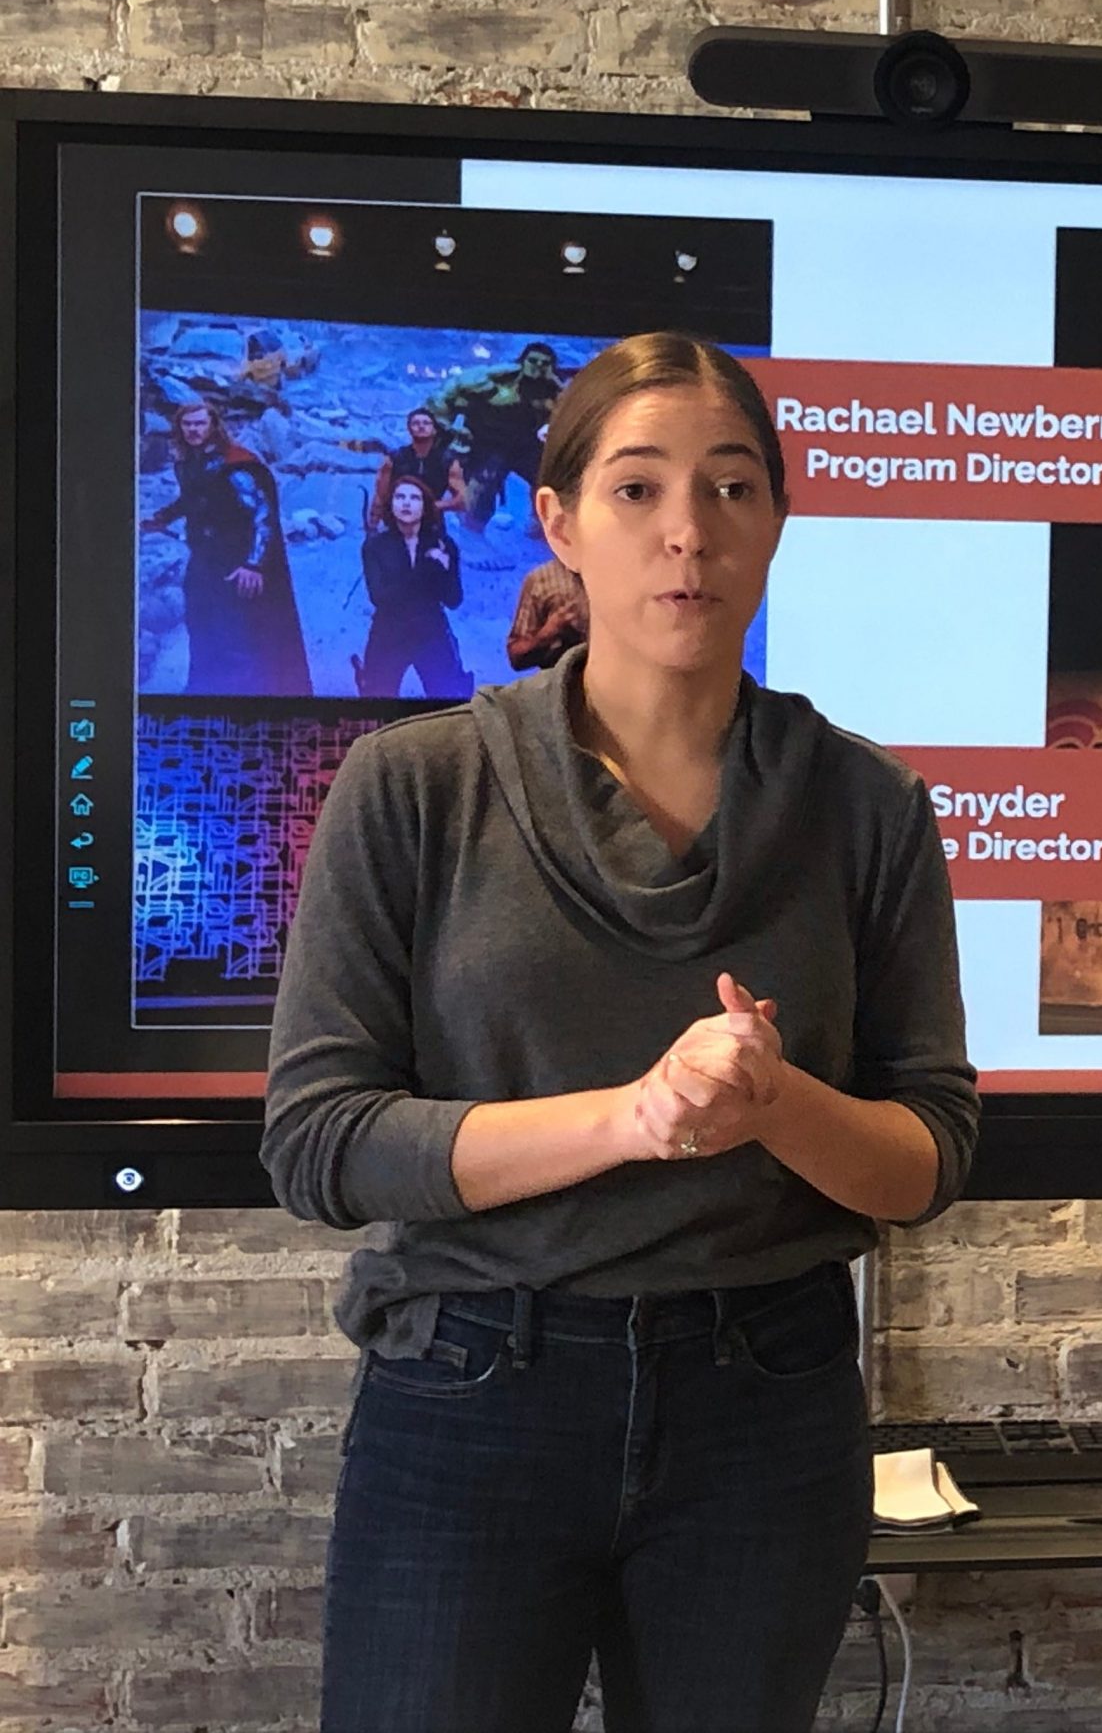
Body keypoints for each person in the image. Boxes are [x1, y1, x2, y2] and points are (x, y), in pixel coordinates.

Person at [264, 331, 978, 1733]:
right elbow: (319, 1142)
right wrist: (636, 1118)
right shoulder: (415, 786)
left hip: (765, 1408)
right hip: (469, 1391)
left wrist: (776, 1106)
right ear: (559, 526)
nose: (687, 536)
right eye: (638, 491)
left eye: (730, 489)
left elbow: (929, 1156)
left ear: (777, 518)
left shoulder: (869, 808)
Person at [140, 399, 312, 697]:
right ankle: (203, 690)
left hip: (237, 563)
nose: (193, 430)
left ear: (213, 426)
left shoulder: (237, 466)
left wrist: (254, 564)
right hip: (204, 559)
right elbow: (195, 497)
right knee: (201, 625)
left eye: (200, 424)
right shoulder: (189, 462)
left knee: (237, 635)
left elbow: (262, 515)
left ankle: (241, 698)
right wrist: (161, 518)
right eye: (188, 424)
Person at [355, 477, 470, 701]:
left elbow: (454, 599)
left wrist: (444, 570)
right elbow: (379, 597)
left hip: (431, 633)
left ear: (425, 505)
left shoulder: (443, 545)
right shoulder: (375, 546)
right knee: (377, 702)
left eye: (414, 498)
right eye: (400, 497)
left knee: (445, 704)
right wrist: (427, 569)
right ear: (391, 504)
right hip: (388, 635)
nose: (406, 503)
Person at [434, 341, 570, 530]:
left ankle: (542, 524)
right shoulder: (491, 381)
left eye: (544, 363)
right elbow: (445, 398)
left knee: (548, 479)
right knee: (483, 488)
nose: (538, 366)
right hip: (489, 444)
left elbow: (567, 416)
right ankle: (473, 527)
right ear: (523, 361)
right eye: (533, 361)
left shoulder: (555, 391)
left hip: (528, 445)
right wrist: (449, 429)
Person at [357, 408, 470, 535]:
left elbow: (462, 501)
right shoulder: (395, 458)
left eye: (426, 423)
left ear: (434, 430)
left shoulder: (447, 461)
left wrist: (435, 506)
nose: (421, 426)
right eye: (416, 423)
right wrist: (373, 525)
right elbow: (380, 496)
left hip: (431, 525)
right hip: (396, 525)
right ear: (409, 429)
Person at [506, 554, 590, 674]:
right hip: (562, 683)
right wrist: (546, 634)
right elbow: (516, 657)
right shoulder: (540, 580)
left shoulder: (619, 575)